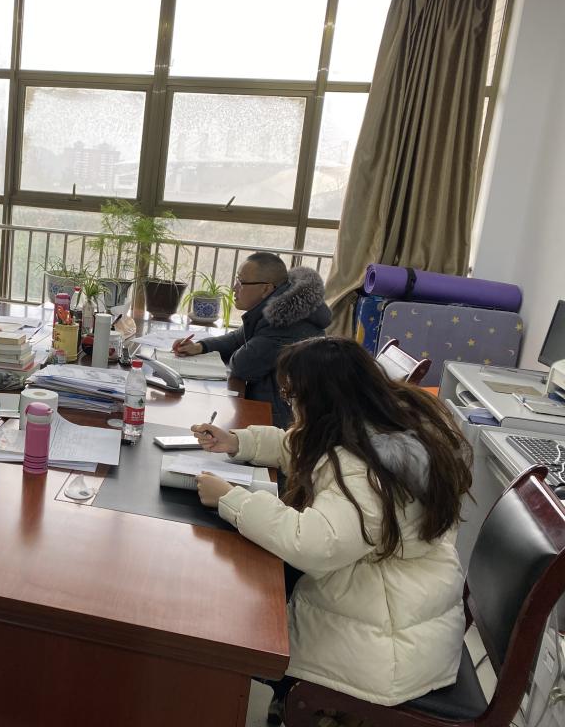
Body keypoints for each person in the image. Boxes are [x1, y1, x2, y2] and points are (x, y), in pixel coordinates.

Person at [191, 337, 472, 721]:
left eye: (293, 396)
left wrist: (232, 499)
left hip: (386, 641)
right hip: (401, 604)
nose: (291, 405)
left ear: (323, 401)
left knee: (242, 606)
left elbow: (313, 545)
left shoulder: (367, 471)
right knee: (255, 580)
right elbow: (302, 448)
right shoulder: (380, 425)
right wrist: (238, 441)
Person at [173, 253, 330, 427]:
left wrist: (244, 345)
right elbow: (239, 337)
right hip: (269, 405)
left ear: (265, 289)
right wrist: (201, 346)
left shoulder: (287, 321)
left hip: (283, 422)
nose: (234, 288)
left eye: (241, 282)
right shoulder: (280, 306)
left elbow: (242, 365)